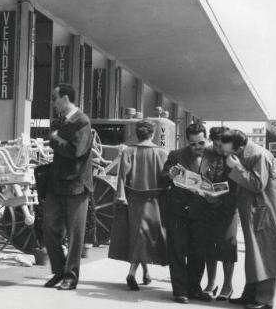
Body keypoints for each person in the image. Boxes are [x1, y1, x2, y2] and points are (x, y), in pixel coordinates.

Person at [222, 129, 276, 309]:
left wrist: (237, 167)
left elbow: (257, 184)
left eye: (230, 151)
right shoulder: (246, 153)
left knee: (267, 253)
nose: (228, 155)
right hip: (255, 211)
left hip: (265, 211)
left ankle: (264, 300)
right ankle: (250, 295)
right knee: (254, 254)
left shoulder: (259, 155)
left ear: (240, 146)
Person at [42, 83, 94, 291]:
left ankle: (70, 277)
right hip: (57, 184)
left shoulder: (82, 121)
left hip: (77, 185)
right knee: (49, 228)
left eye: (55, 99)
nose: (53, 103)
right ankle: (59, 270)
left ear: (65, 98)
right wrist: (56, 137)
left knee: (75, 233)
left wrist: (55, 140)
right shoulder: (60, 122)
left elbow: (77, 152)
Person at [108, 119, 168, 291]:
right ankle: (132, 273)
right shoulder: (162, 153)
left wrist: (120, 197)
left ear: (137, 134)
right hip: (154, 201)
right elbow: (166, 180)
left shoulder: (129, 151)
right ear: (153, 134)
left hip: (133, 200)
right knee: (144, 236)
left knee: (138, 236)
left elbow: (121, 177)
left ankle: (145, 272)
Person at [161, 122, 211, 304]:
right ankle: (180, 291)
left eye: (201, 143)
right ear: (186, 141)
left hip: (202, 212)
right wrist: (170, 175)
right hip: (178, 212)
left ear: (206, 139)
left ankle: (194, 288)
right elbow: (162, 179)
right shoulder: (176, 155)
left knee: (198, 253)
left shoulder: (213, 156)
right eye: (193, 144)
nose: (197, 147)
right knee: (178, 252)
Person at [200, 126, 238, 301]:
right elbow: (202, 175)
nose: (217, 149)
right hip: (208, 204)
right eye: (214, 145)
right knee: (209, 245)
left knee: (227, 245)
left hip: (228, 207)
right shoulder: (208, 153)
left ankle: (228, 285)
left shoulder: (233, 155)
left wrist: (221, 199)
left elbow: (238, 185)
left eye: (220, 145)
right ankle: (211, 283)